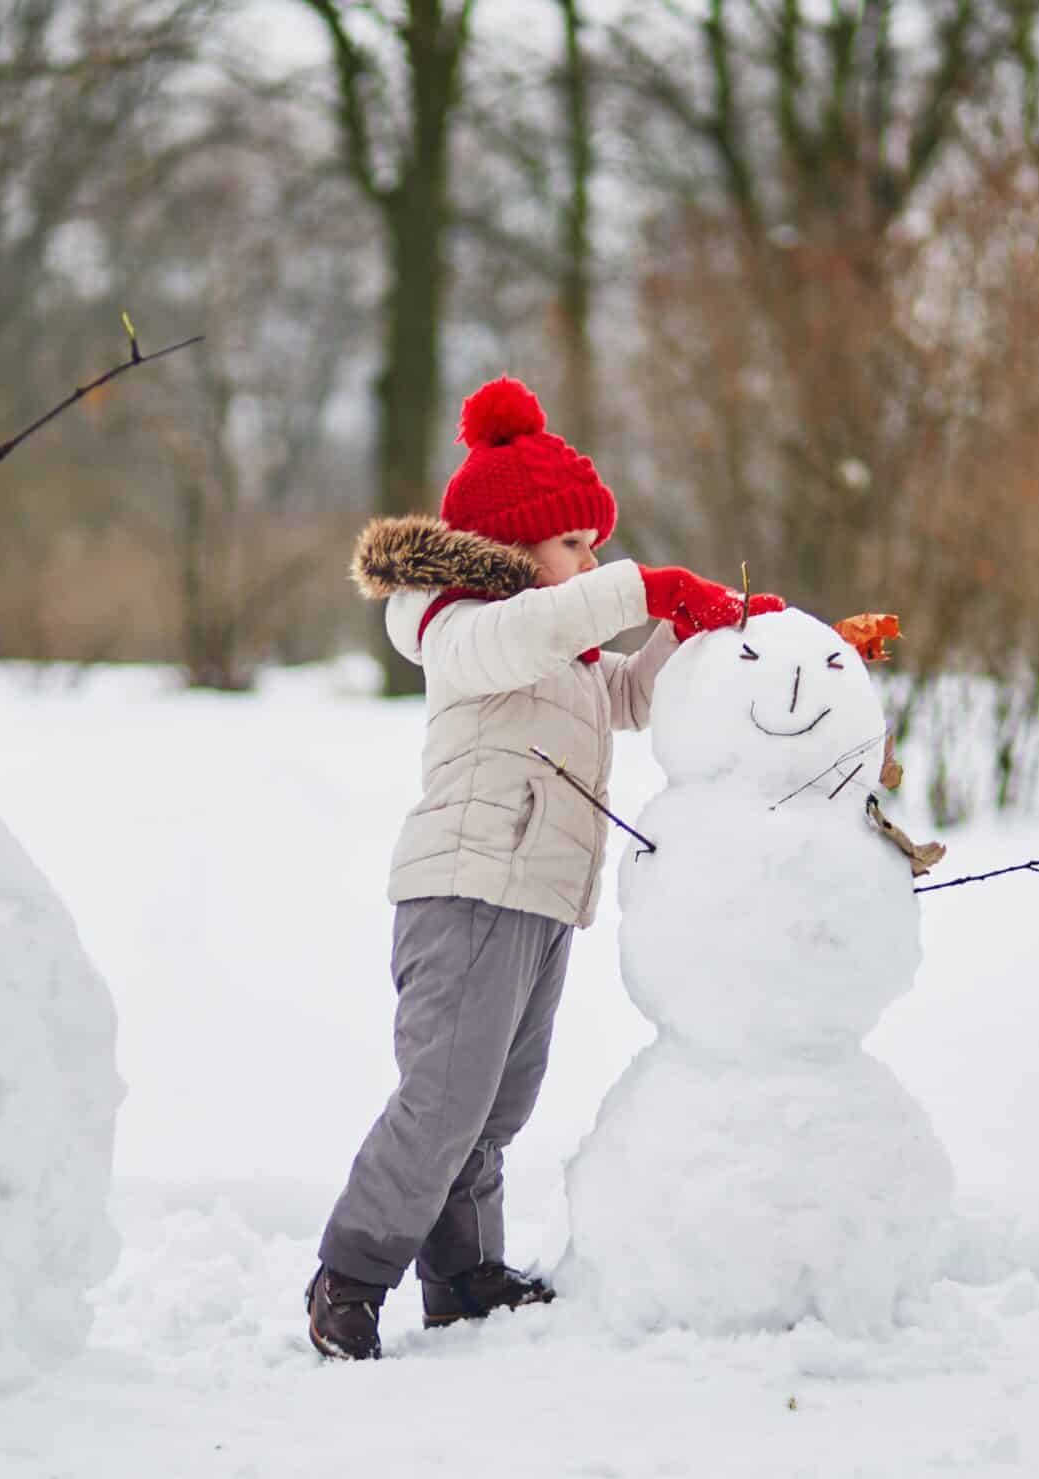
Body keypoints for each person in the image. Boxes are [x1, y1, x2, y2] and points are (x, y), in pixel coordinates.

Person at [306, 374, 778, 1360]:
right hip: (465, 890)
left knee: (494, 1106)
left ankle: (463, 1274)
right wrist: (644, 586)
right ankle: (349, 1276)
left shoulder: (557, 653)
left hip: (535, 902)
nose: (593, 559)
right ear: (514, 546)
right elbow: (528, 633)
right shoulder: (457, 627)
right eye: (575, 543)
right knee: (442, 1100)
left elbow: (632, 698)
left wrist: (691, 629)